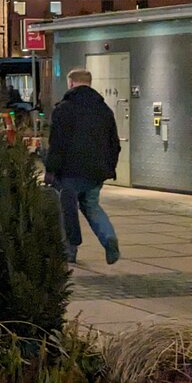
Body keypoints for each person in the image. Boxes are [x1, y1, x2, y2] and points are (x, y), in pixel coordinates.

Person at [45, 68, 122, 264]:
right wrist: (108, 167)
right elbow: (115, 144)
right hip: (96, 172)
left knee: (66, 210)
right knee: (92, 206)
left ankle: (69, 250)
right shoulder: (104, 110)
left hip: (69, 171)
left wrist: (51, 170)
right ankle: (109, 238)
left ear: (71, 83)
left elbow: (57, 144)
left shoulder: (64, 109)